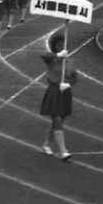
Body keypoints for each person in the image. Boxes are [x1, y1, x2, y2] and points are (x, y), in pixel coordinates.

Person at [39, 31, 77, 161]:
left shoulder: (69, 61)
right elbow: (44, 55)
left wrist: (68, 84)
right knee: (57, 120)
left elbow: (74, 77)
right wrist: (57, 55)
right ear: (55, 46)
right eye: (59, 44)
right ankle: (63, 151)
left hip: (65, 92)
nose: (61, 46)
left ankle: (46, 144)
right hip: (54, 91)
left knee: (59, 121)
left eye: (63, 44)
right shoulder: (52, 58)